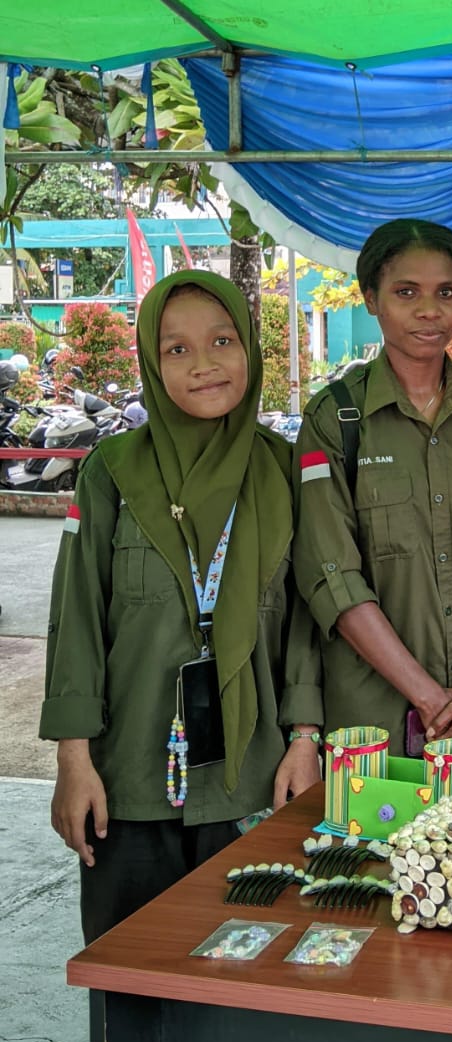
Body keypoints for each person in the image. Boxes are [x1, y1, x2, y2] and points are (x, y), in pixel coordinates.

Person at [42, 271, 323, 943]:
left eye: (222, 341)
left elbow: (306, 620)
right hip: (130, 780)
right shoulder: (111, 470)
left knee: (244, 986)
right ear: (150, 360)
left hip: (254, 778)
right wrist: (74, 761)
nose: (204, 365)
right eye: (177, 349)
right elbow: (76, 618)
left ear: (249, 350)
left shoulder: (284, 472)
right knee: (132, 985)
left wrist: (306, 737)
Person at [291, 220, 452, 795]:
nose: (430, 310)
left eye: (446, 292)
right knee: (375, 881)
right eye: (407, 292)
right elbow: (333, 578)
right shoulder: (336, 419)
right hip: (375, 730)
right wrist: (430, 698)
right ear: (371, 299)